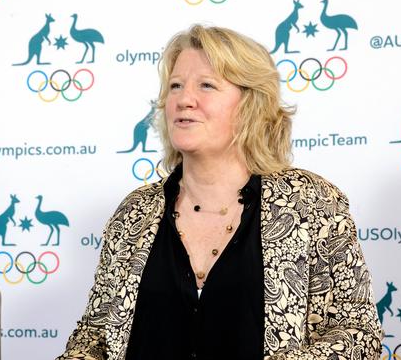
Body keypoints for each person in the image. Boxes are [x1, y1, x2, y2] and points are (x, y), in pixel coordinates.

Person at [58, 24, 382, 359]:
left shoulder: (311, 203)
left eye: (207, 86)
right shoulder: (133, 215)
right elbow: (93, 339)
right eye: (175, 86)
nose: (184, 100)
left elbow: (357, 333)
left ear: (250, 105)